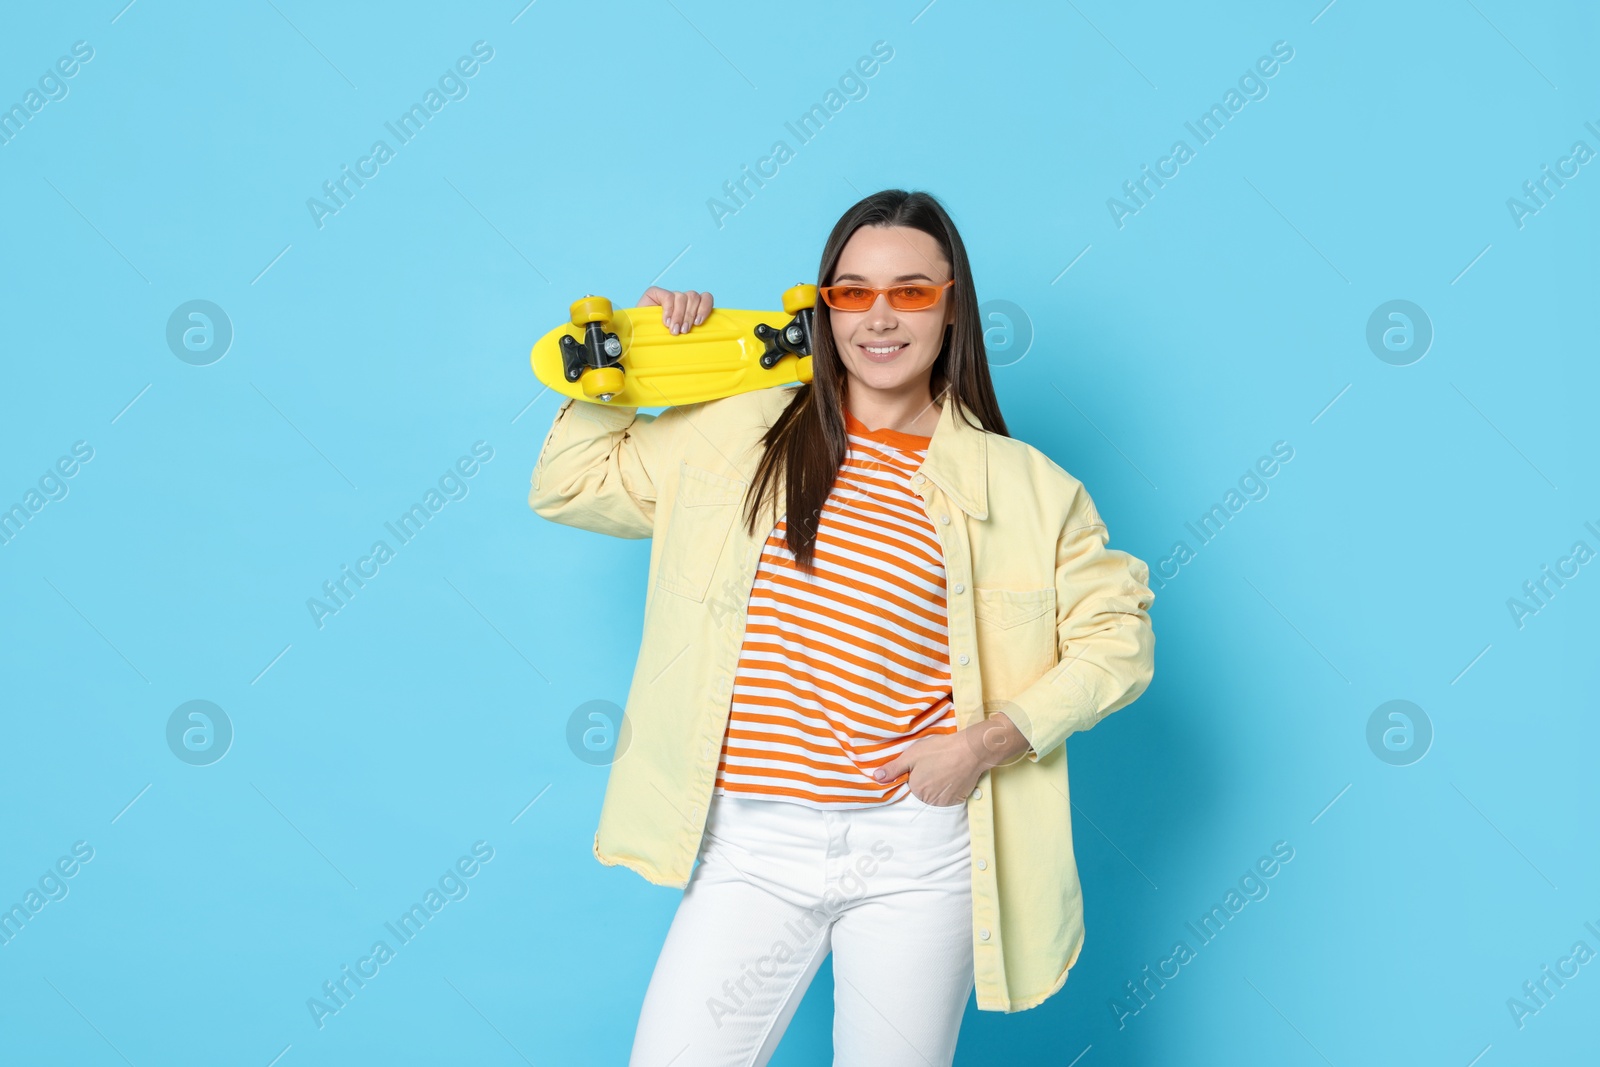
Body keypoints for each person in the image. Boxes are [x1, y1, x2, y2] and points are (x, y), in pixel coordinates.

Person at [529, 189, 1156, 1066]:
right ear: (825, 310)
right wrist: (637, 363)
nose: (880, 318)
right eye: (852, 293)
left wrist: (983, 743)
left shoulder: (1028, 487)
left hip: (918, 851)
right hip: (750, 842)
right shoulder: (741, 430)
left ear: (953, 305)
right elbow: (572, 482)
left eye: (911, 291)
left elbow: (1118, 638)